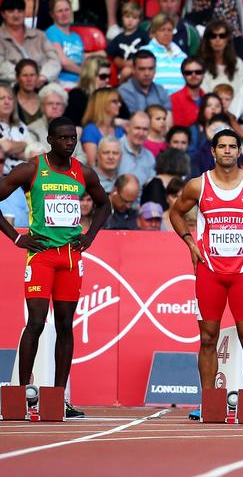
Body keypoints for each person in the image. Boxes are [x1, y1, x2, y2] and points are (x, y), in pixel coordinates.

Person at [0, 116, 111, 418]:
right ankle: (23, 395)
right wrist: (16, 239)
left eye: (73, 138)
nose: (70, 143)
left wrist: (89, 236)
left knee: (65, 325)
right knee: (36, 322)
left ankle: (57, 398)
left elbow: (105, 205)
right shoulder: (32, 169)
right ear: (50, 140)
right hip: (42, 256)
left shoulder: (83, 172)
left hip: (71, 258)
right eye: (63, 138)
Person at [169, 128, 243, 421]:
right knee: (208, 338)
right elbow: (176, 212)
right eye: (223, 146)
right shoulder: (199, 185)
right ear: (213, 151)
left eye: (233, 146)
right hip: (210, 271)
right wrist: (190, 242)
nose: (228, 151)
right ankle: (211, 404)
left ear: (239, 151)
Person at [0, 0, 60, 85]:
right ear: (3, 14)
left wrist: (43, 76)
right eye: (11, 11)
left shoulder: (40, 35)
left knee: (57, 96)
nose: (16, 15)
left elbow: (54, 60)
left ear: (24, 13)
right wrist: (26, 78)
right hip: (12, 85)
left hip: (43, 82)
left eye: (20, 11)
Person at [44, 0, 87, 89]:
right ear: (52, 14)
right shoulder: (52, 32)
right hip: (62, 81)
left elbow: (84, 61)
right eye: (60, 11)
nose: (64, 14)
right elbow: (63, 62)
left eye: (67, 10)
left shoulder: (77, 37)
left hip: (80, 81)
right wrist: (85, 73)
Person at [141, 13, 187, 95]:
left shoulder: (182, 55)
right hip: (155, 100)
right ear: (154, 32)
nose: (166, 33)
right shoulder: (144, 52)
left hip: (180, 101)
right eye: (162, 30)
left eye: (169, 30)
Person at [198, 19, 243, 95]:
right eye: (213, 36)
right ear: (208, 40)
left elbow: (239, 92)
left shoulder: (238, 63)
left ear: (227, 39)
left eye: (222, 36)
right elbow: (203, 92)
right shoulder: (200, 64)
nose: (217, 39)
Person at [106, 1, 150, 83]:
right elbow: (111, 54)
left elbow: (150, 51)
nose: (130, 20)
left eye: (134, 18)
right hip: (124, 72)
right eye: (127, 17)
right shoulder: (118, 39)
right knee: (126, 71)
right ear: (122, 17)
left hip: (143, 68)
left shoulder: (143, 35)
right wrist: (123, 63)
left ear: (140, 20)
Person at [118, 49, 171, 116]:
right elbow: (133, 120)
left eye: (151, 68)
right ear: (133, 70)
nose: (147, 73)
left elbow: (168, 117)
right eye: (142, 69)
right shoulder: (124, 91)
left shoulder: (161, 90)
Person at [81, 87, 125, 166]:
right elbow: (92, 165)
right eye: (114, 101)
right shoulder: (90, 130)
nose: (119, 104)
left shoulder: (119, 130)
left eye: (119, 101)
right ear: (102, 104)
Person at [117, 111, 155, 193]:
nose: (141, 133)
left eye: (145, 129)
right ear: (127, 128)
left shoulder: (149, 157)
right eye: (137, 128)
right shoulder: (115, 149)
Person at [171, 57, 206, 128]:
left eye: (198, 72)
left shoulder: (208, 98)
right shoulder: (174, 99)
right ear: (183, 75)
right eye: (188, 73)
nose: (193, 75)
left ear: (203, 74)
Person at [14, 59, 41, 125]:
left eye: (32, 75)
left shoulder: (44, 99)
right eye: (25, 75)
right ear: (17, 78)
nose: (29, 79)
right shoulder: (10, 101)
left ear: (37, 77)